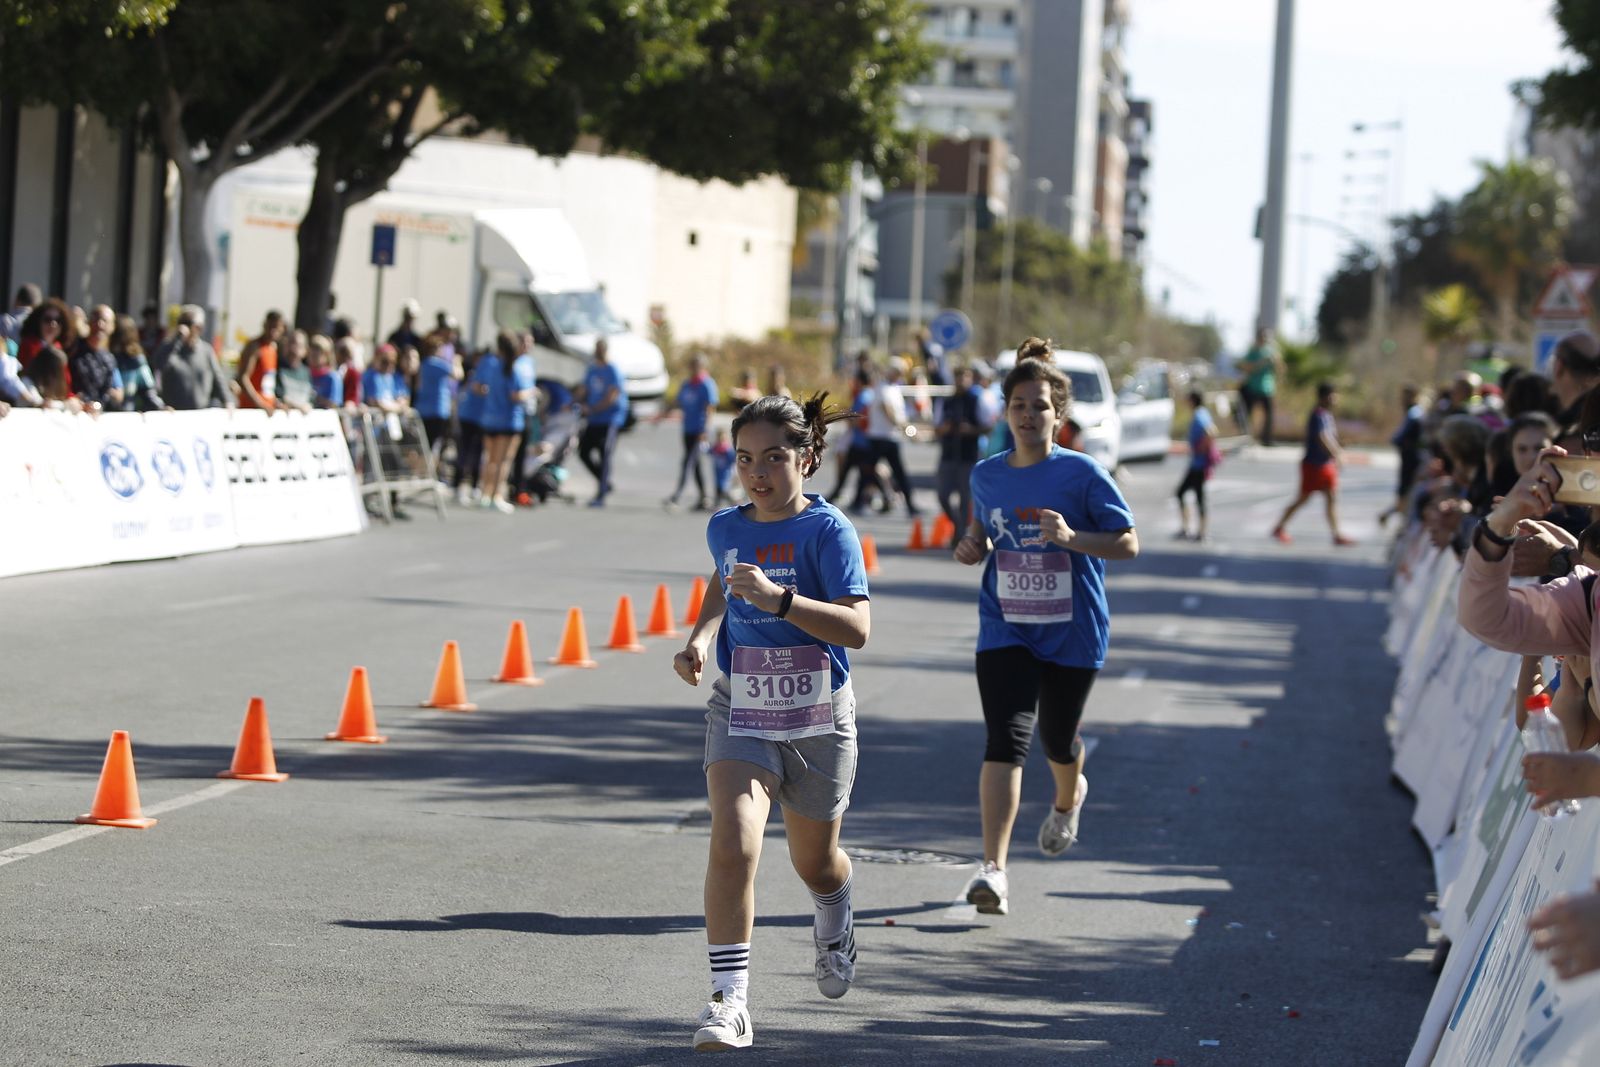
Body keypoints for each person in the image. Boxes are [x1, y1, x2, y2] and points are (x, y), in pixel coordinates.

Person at [670, 393, 869, 1053]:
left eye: (775, 458)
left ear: (807, 457)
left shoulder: (828, 531)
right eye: (746, 457)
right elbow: (724, 582)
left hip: (817, 714)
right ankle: (729, 1000)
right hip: (744, 706)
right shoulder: (726, 525)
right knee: (734, 839)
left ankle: (835, 910)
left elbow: (857, 627)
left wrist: (783, 600)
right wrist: (701, 637)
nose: (758, 472)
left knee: (815, 862)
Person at [953, 354, 1139, 916]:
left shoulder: (1082, 474)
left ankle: (1068, 796)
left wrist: (1073, 537)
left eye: (1040, 406)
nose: (1028, 415)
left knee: (1057, 741)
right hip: (1005, 625)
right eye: (1018, 406)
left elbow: (1127, 541)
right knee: (1005, 739)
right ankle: (993, 870)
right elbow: (981, 535)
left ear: (1059, 416)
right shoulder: (987, 474)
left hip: (1073, 628)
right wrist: (971, 548)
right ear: (1005, 414)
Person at [1271, 382, 1353, 546]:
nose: (1336, 399)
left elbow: (1330, 438)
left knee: (1332, 497)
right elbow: (1322, 438)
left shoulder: (1327, 416)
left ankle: (1336, 533)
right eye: (1333, 395)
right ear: (1325, 396)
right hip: (1314, 465)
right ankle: (1279, 527)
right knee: (1303, 499)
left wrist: (1339, 447)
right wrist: (1336, 454)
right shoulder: (1318, 415)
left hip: (1325, 464)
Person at [471, 331, 536, 514]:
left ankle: (485, 492)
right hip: (509, 420)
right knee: (504, 460)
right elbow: (515, 395)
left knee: (490, 458)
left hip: (490, 417)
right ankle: (497, 495)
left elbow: (477, 386)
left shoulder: (491, 366)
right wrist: (531, 391)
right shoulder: (513, 368)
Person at [933, 364, 987, 535]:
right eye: (958, 376)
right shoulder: (946, 401)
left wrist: (971, 429)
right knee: (943, 495)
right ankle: (957, 524)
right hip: (948, 455)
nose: (961, 380)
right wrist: (945, 429)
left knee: (965, 498)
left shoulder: (977, 400)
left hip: (968, 456)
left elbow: (988, 426)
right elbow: (936, 427)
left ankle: (961, 533)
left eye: (965, 376)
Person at [861, 359, 919, 515]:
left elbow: (899, 413)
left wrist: (905, 427)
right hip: (879, 436)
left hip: (891, 436)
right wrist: (905, 427)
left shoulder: (895, 388)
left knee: (896, 472)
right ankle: (864, 499)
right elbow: (888, 411)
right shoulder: (882, 388)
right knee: (869, 470)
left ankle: (907, 503)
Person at [665, 354, 719, 510]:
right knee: (695, 464)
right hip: (687, 428)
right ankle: (704, 497)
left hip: (698, 430)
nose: (693, 369)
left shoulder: (706, 384)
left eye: (696, 366)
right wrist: (666, 410)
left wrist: (705, 430)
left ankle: (677, 496)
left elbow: (710, 408)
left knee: (687, 462)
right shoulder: (687, 384)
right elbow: (679, 400)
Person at [578, 338, 628, 507]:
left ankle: (600, 494)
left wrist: (593, 409)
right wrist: (573, 402)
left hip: (610, 419)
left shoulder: (613, 370)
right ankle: (604, 482)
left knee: (605, 453)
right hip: (594, 419)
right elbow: (584, 389)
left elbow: (612, 396)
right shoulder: (592, 368)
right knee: (583, 452)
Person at [152, 305, 232, 410]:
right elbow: (160, 367)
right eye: (181, 322)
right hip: (174, 413)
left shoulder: (206, 351)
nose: (184, 327)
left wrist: (227, 401)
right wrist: (177, 341)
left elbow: (218, 379)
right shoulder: (169, 348)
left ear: (199, 327)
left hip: (199, 413)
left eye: (188, 323)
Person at [1174, 390, 1219, 542]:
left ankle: (1197, 530)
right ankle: (1194, 529)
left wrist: (1201, 449)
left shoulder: (1199, 415)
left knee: (1187, 494)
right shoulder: (1203, 412)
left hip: (1198, 464)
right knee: (1192, 496)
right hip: (1196, 463)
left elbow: (1211, 432)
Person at [1381, 385, 1427, 526]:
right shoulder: (1413, 413)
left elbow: (1401, 437)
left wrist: (1396, 440)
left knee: (1407, 492)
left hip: (1412, 460)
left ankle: (1399, 521)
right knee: (1406, 493)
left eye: (1407, 396)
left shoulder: (1414, 414)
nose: (1403, 400)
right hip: (1409, 459)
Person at [415, 332, 461, 466]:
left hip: (423, 408)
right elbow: (458, 374)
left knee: (425, 443)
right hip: (437, 410)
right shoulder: (436, 363)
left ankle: (423, 471)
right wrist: (457, 361)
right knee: (433, 444)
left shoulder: (423, 364)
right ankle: (427, 472)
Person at [69, 305, 125, 413]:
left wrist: (99, 404)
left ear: (112, 327)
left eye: (105, 321)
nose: (100, 324)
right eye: (96, 319)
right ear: (89, 322)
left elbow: (117, 392)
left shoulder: (109, 359)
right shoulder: (73, 350)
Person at [1236, 326, 1280, 446]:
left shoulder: (1272, 351)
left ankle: (1267, 439)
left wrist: (1276, 361)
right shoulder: (1253, 351)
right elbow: (1245, 367)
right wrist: (1261, 363)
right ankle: (1246, 436)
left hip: (1267, 388)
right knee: (1247, 414)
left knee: (1269, 415)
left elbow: (1280, 369)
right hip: (1253, 387)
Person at [110, 314, 162, 412]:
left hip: (126, 414)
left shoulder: (136, 360)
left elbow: (148, 391)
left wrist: (161, 407)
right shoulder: (105, 357)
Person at [236, 310, 286, 411]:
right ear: (264, 325)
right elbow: (243, 378)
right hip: (252, 410)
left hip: (267, 410)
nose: (273, 331)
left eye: (276, 328)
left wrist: (274, 401)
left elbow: (267, 383)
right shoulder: (254, 347)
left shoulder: (273, 348)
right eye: (271, 327)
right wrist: (260, 403)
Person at [275, 329, 315, 412]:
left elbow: (311, 398)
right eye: (290, 343)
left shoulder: (307, 373)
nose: (293, 348)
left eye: (297, 345)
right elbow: (278, 396)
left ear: (305, 350)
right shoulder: (277, 369)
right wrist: (298, 407)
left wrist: (308, 405)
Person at [307, 335, 343, 408]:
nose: (313, 357)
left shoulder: (333, 377)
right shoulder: (306, 373)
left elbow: (334, 404)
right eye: (311, 354)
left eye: (317, 354)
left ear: (327, 355)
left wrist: (314, 398)